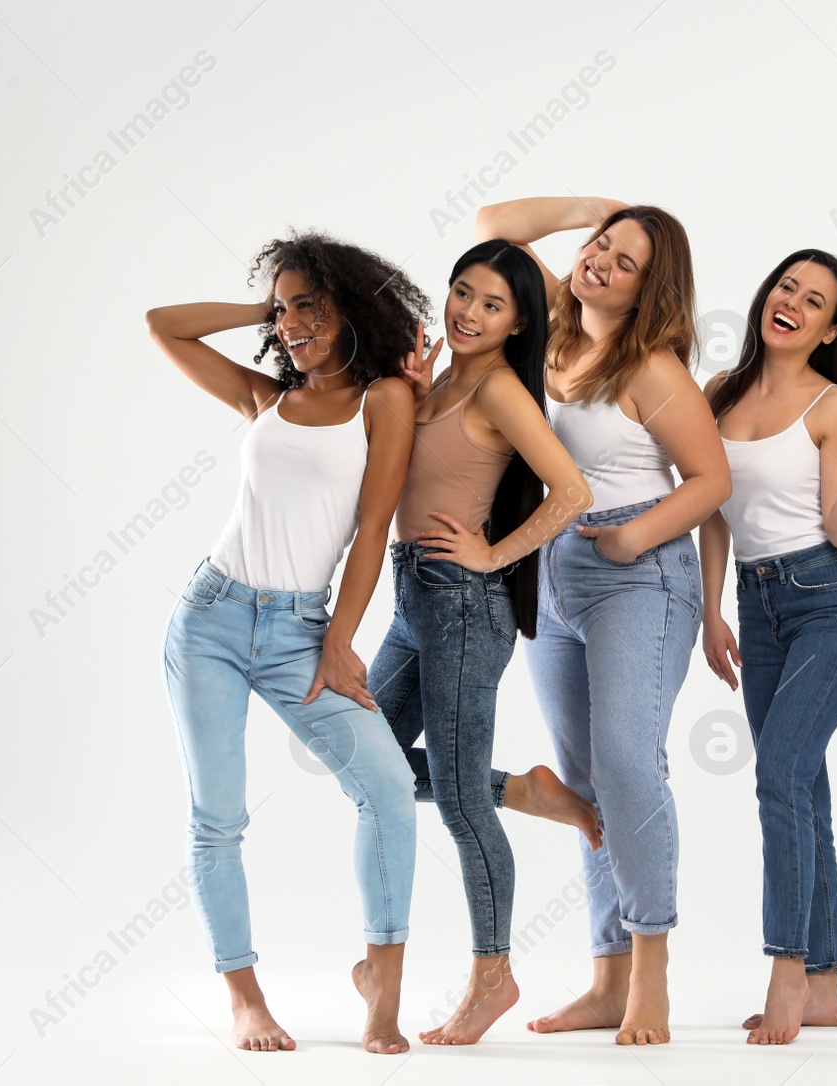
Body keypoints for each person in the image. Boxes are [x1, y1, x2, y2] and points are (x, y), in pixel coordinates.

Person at [148, 230, 437, 1054]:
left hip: (300, 632)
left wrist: (342, 642)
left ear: (353, 306)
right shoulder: (264, 399)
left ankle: (383, 984)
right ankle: (244, 997)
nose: (293, 322)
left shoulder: (384, 400)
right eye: (284, 309)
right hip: (209, 616)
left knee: (384, 786)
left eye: (311, 303)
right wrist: (263, 308)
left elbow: (373, 529)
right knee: (219, 818)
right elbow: (162, 324)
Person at [475, 196, 731, 1046]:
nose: (601, 263)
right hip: (553, 575)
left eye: (626, 263)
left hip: (642, 577)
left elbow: (710, 481)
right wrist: (606, 207)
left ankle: (650, 976)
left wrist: (633, 538)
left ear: (649, 291)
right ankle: (605, 979)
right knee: (583, 782)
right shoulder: (549, 325)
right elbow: (493, 226)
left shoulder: (651, 368)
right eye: (600, 247)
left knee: (627, 764)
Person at [366, 238, 604, 1045]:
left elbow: (572, 490)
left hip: (464, 605)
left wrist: (494, 555)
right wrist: (409, 390)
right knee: (364, 759)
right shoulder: (443, 375)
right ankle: (522, 790)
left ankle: (492, 976)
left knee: (460, 806)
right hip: (412, 596)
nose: (469, 311)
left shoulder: (501, 388)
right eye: (463, 292)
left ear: (516, 325)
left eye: (492, 304)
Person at [698, 250, 837, 1044]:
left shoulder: (831, 406)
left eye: (813, 300)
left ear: (831, 329)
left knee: (780, 773)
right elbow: (714, 510)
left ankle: (787, 969)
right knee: (802, 787)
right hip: (758, 606)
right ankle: (824, 987)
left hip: (835, 605)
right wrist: (714, 611)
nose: (792, 303)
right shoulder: (719, 395)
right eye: (787, 286)